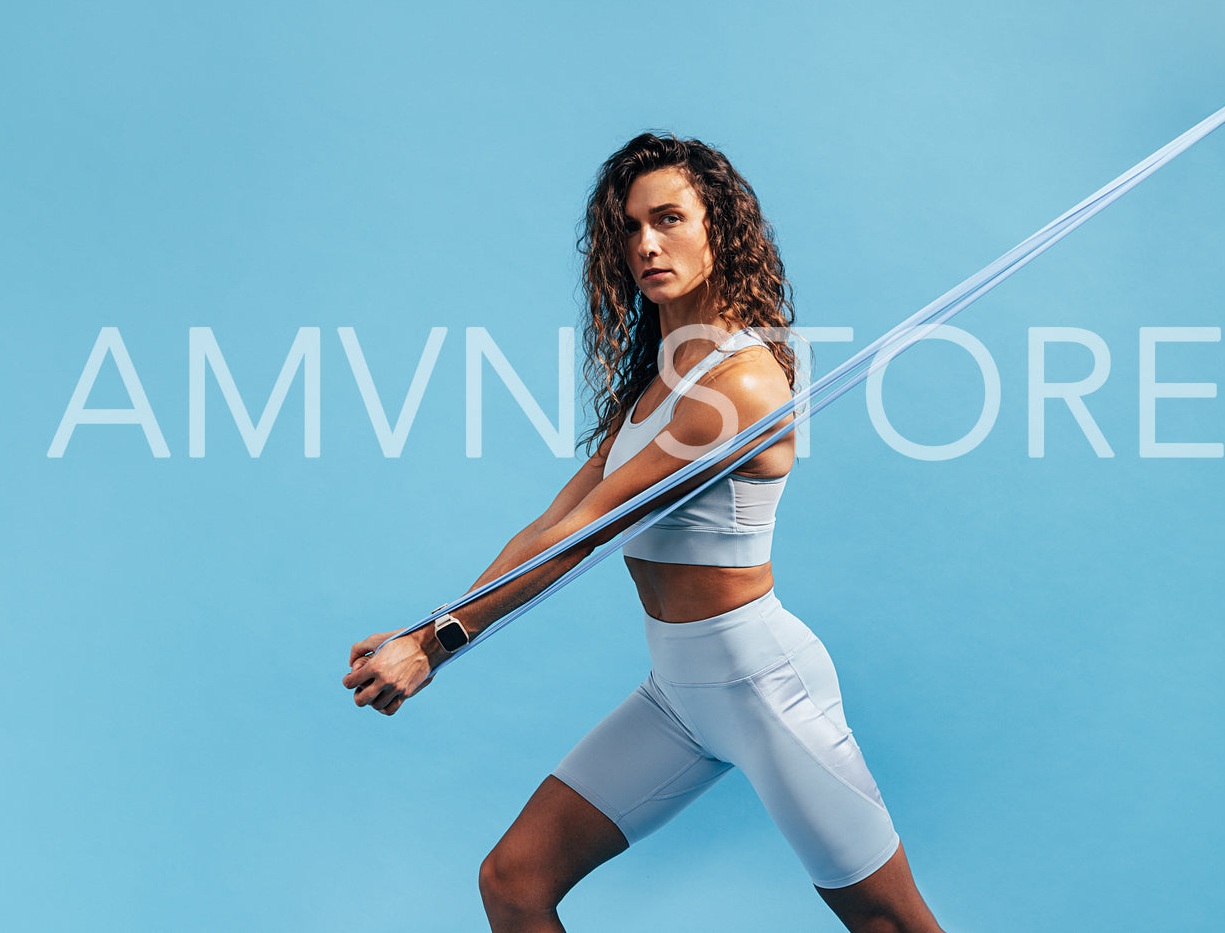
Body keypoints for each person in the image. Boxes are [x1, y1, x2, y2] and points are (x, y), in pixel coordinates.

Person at [342, 133, 946, 933]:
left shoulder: (739, 384)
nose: (645, 244)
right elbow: (552, 522)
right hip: (678, 693)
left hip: (761, 685)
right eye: (627, 228)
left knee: (891, 926)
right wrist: (426, 629)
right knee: (514, 883)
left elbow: (587, 534)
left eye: (667, 219)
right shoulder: (661, 377)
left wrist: (440, 644)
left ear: (717, 229)